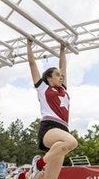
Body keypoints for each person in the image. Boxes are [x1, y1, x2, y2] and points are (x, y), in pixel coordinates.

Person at [26, 40, 77, 179]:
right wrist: (29, 46)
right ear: (49, 78)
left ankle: (26, 176)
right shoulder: (43, 88)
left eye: (61, 76)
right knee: (72, 142)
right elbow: (32, 64)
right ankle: (39, 164)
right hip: (49, 128)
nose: (61, 77)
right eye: (57, 75)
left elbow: (63, 66)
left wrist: (62, 49)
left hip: (63, 130)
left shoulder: (63, 89)